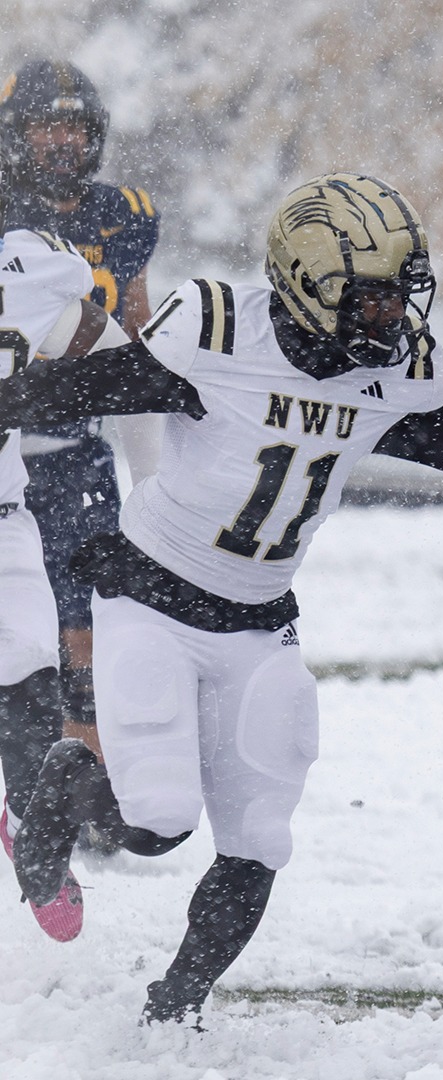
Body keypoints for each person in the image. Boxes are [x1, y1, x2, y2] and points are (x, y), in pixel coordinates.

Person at [0, 173, 443, 1026]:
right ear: (305, 284)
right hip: (150, 595)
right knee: (156, 825)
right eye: (370, 302)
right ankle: (67, 778)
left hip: (259, 620)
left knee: (261, 838)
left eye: (399, 299)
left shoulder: (392, 373)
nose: (391, 321)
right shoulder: (217, 333)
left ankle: (173, 1008)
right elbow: (70, 393)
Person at [0, 59, 163, 776]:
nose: (62, 141)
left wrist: (154, 475)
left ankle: (81, 786)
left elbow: (137, 334)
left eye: (75, 126)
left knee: (85, 625)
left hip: (71, 448)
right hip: (8, 440)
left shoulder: (120, 214)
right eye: (46, 126)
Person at [0, 211, 97, 943]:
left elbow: (105, 345)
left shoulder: (25, 268)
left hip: (1, 514)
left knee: (33, 679)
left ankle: (35, 834)